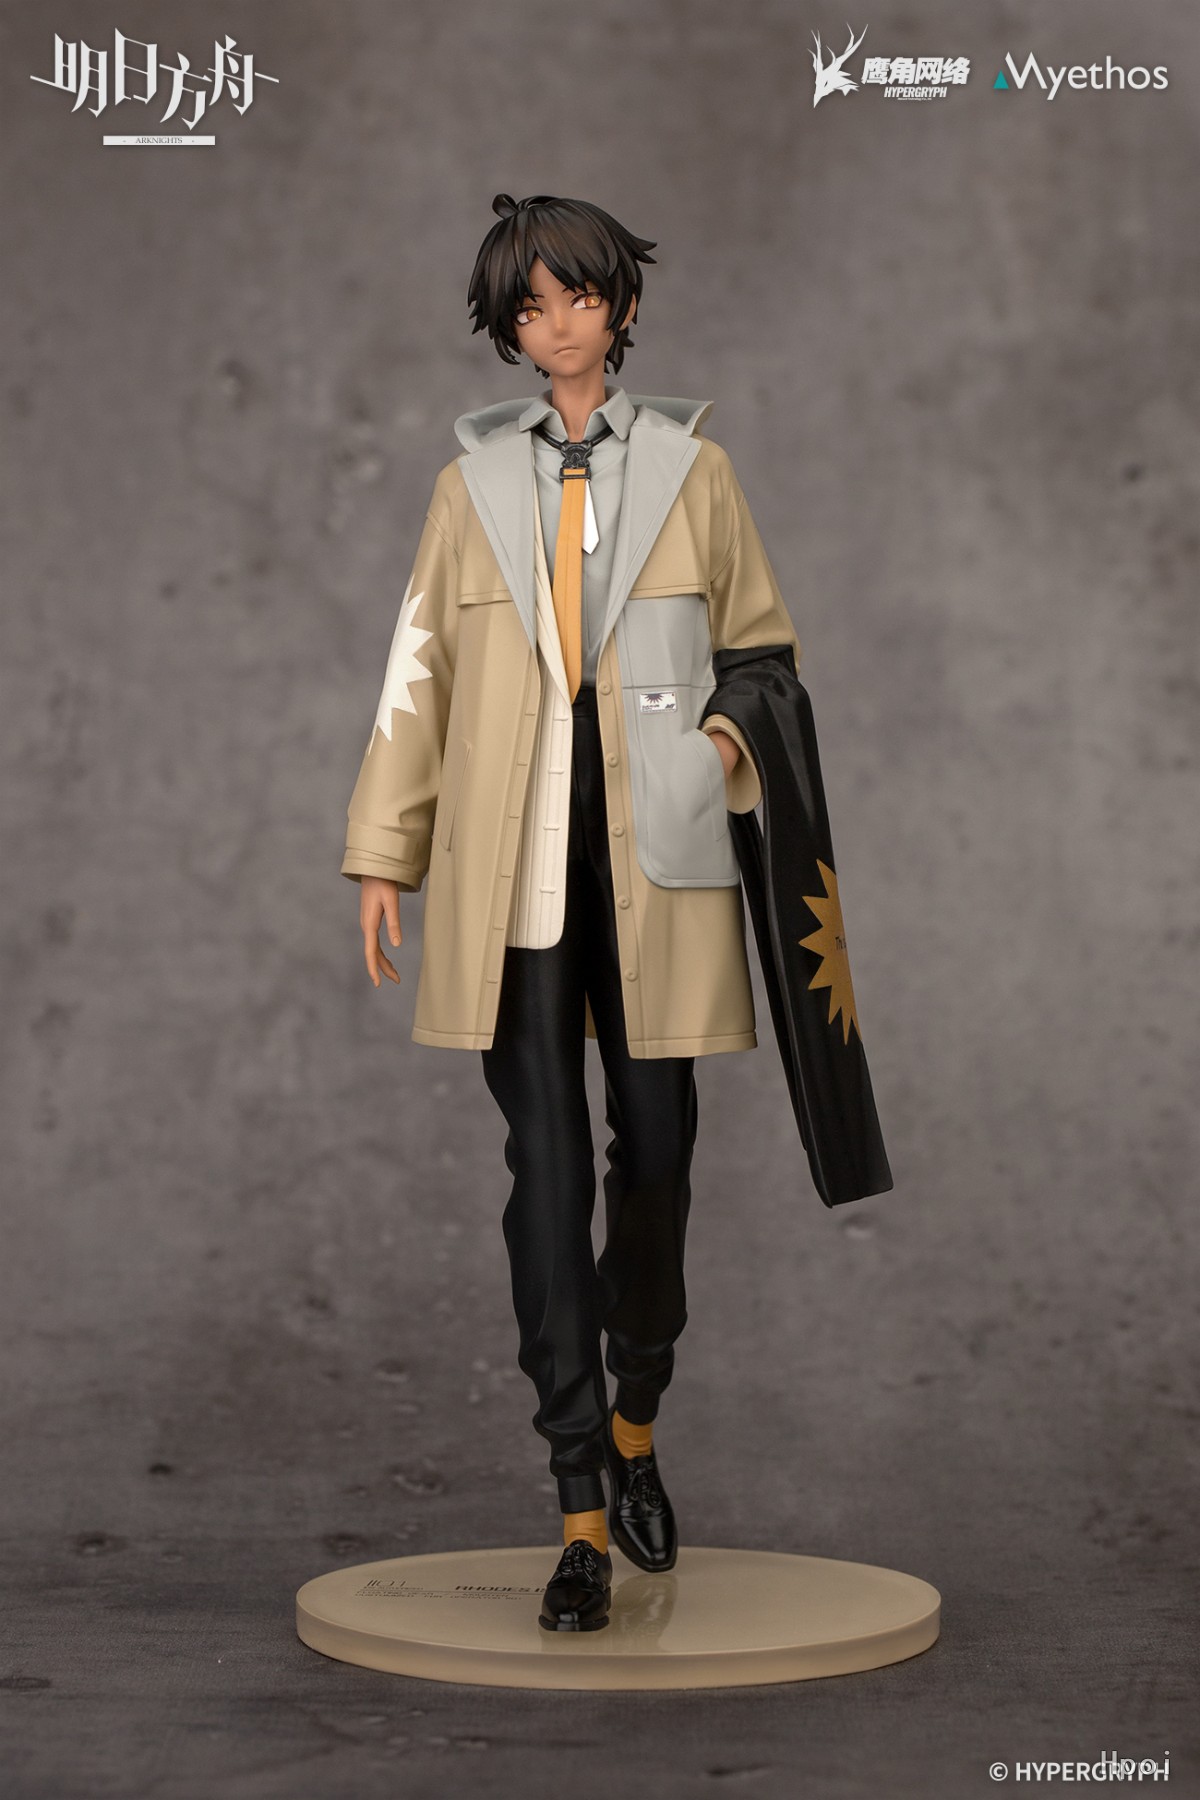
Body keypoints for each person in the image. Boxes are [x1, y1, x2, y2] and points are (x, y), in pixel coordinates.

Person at [340, 193, 803, 1632]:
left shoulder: (696, 473)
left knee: (655, 1154)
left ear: (622, 307)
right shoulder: (466, 489)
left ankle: (638, 1412)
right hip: (513, 870)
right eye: (529, 307)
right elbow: (418, 673)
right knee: (544, 1174)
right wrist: (385, 851)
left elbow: (764, 658)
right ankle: (580, 1510)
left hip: (658, 861)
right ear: (507, 329)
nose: (557, 325)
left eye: (578, 297)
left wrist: (716, 748)